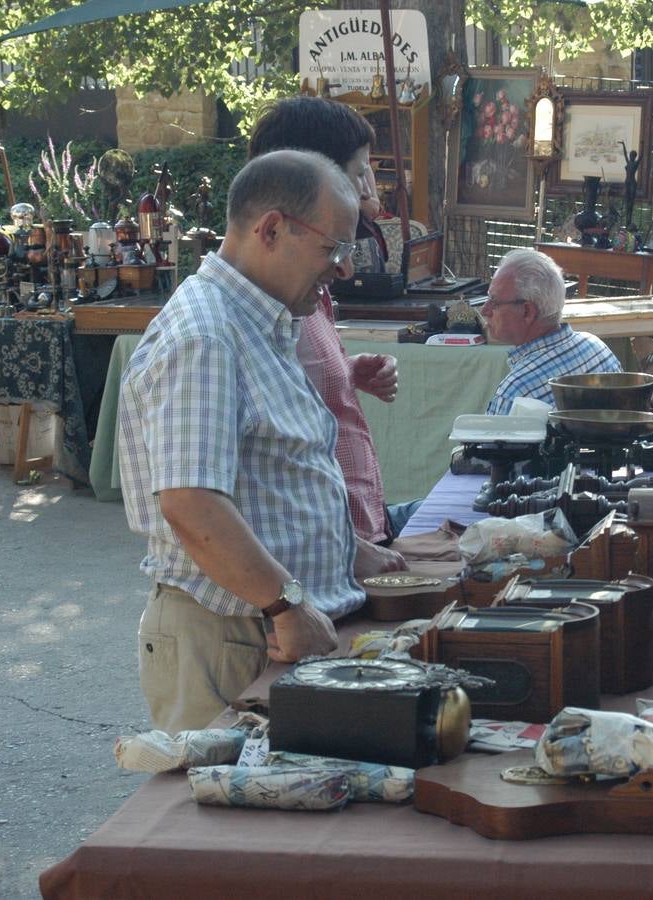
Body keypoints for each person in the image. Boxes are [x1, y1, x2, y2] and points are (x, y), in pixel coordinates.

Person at [117, 150, 398, 733]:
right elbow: (192, 504)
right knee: (230, 819)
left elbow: (280, 471)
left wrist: (344, 548)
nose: (343, 269)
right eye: (334, 249)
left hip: (261, 630)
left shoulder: (260, 319)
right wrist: (286, 603)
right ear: (271, 229)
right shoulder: (206, 336)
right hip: (234, 637)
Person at [248, 96, 418, 549]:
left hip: (356, 531)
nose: (369, 190)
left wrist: (347, 369)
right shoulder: (265, 306)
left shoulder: (310, 287)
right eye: (361, 171)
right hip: (332, 546)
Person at [483, 248, 621, 415]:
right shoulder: (597, 348)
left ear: (527, 311)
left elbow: (489, 440)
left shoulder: (515, 391)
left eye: (494, 302)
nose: (485, 310)